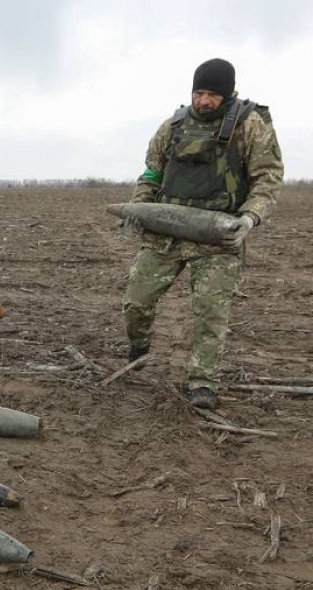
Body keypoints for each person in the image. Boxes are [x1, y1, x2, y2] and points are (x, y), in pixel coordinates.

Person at [121, 58, 284, 409]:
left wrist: (249, 219)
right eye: (199, 92)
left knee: (211, 314)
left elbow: (268, 178)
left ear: (227, 94)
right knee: (136, 301)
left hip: (217, 237)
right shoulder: (173, 126)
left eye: (212, 94)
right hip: (166, 233)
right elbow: (151, 173)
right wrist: (139, 208)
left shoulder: (249, 125)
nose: (204, 101)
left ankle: (202, 381)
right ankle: (140, 344)